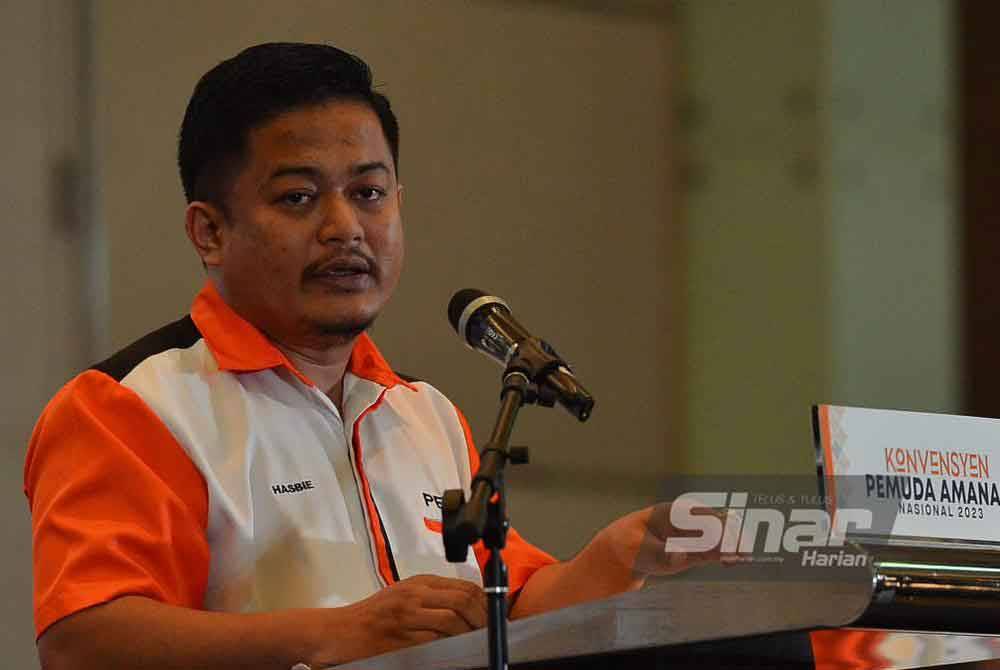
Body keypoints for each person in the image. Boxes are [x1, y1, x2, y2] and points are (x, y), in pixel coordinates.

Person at [25, 43, 696, 670]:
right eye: (298, 197)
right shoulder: (133, 406)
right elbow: (86, 640)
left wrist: (616, 560)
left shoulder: (424, 413)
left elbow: (504, 617)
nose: (345, 228)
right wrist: (339, 632)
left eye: (369, 194)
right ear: (210, 231)